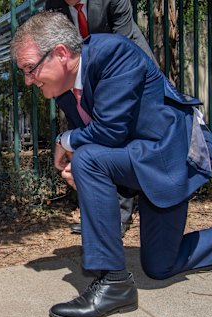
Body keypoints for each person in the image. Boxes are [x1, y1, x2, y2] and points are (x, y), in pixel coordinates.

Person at [10, 11, 212, 317]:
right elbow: (99, 142)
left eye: (30, 69)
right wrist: (82, 168)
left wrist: (67, 141)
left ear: (61, 53)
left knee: (88, 161)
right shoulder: (62, 89)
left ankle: (114, 283)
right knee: (159, 266)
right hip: (140, 160)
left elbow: (109, 131)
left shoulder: (113, 54)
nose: (28, 80)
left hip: (172, 156)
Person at [45, 0, 158, 236]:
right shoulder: (54, 5)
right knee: (90, 142)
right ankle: (104, 218)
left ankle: (120, 217)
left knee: (118, 137)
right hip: (82, 80)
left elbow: (123, 45)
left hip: (126, 70)